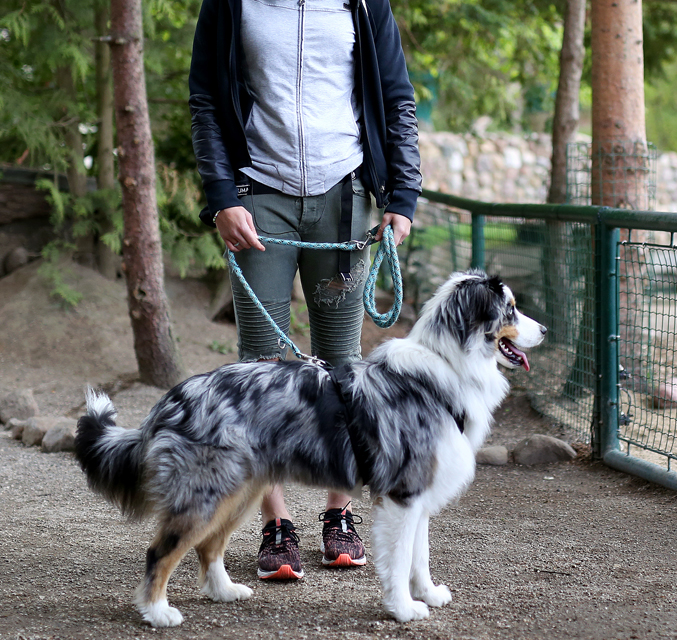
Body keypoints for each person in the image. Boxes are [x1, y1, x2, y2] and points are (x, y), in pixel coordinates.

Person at [188, 0, 421, 580]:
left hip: (341, 196)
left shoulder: (363, 4)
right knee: (263, 370)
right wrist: (221, 195)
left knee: (342, 366)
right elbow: (207, 100)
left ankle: (338, 516)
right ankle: (276, 523)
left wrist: (402, 195)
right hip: (257, 195)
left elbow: (397, 98)